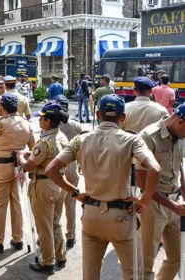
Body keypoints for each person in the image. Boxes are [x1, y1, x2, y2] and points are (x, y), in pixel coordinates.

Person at [44, 94, 162, 280]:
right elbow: (154, 168)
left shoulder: (80, 140)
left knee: (90, 274)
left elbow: (51, 169)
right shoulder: (132, 140)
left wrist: (75, 193)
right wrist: (145, 200)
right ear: (123, 117)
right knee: (133, 274)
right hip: (121, 216)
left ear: (97, 114)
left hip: (91, 213)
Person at [17, 101, 69, 275]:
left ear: (48, 121)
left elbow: (29, 167)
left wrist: (20, 157)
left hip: (44, 184)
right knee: (55, 222)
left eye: (42, 118)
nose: (39, 121)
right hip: (59, 182)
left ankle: (47, 262)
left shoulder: (44, 142)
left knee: (44, 226)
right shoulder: (62, 137)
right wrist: (29, 154)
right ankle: (61, 255)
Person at [136, 105, 185, 280]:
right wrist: (173, 205)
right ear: (180, 121)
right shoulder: (149, 137)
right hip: (153, 205)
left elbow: (179, 168)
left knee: (178, 257)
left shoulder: (180, 136)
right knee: (146, 261)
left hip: (176, 204)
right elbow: (142, 181)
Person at [0, 93, 35, 253]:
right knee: (17, 203)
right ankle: (18, 238)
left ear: (3, 107)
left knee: (0, 205)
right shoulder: (27, 125)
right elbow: (33, 149)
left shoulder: (1, 124)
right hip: (19, 168)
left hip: (1, 168)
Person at [54, 95, 82, 248]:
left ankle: (53, 234)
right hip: (72, 169)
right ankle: (71, 235)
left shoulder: (53, 124)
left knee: (55, 206)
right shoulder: (76, 125)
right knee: (70, 205)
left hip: (57, 170)